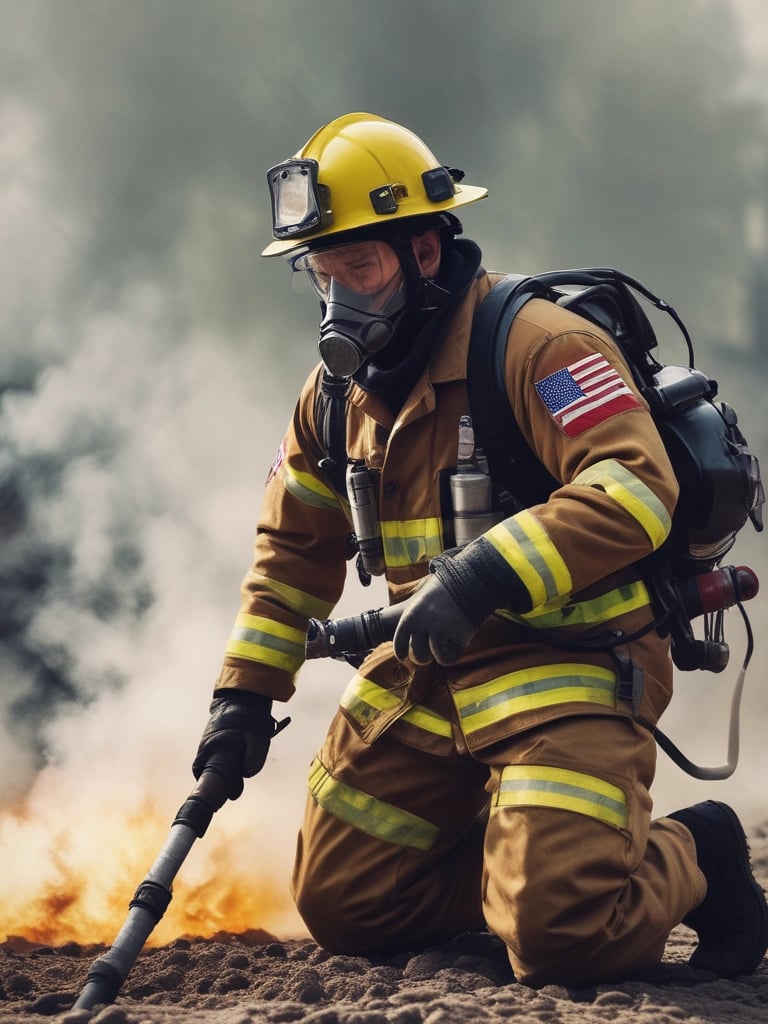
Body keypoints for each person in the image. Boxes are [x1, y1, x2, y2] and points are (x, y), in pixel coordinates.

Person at [193, 112, 768, 987]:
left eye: (361, 266)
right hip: (427, 672)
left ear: (424, 252)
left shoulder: (541, 345)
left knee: (564, 942)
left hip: (565, 662)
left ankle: (697, 853)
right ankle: (523, 870)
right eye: (322, 271)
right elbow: (289, 554)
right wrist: (241, 699)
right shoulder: (334, 395)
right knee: (348, 906)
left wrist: (482, 575)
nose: (339, 298)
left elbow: (636, 487)